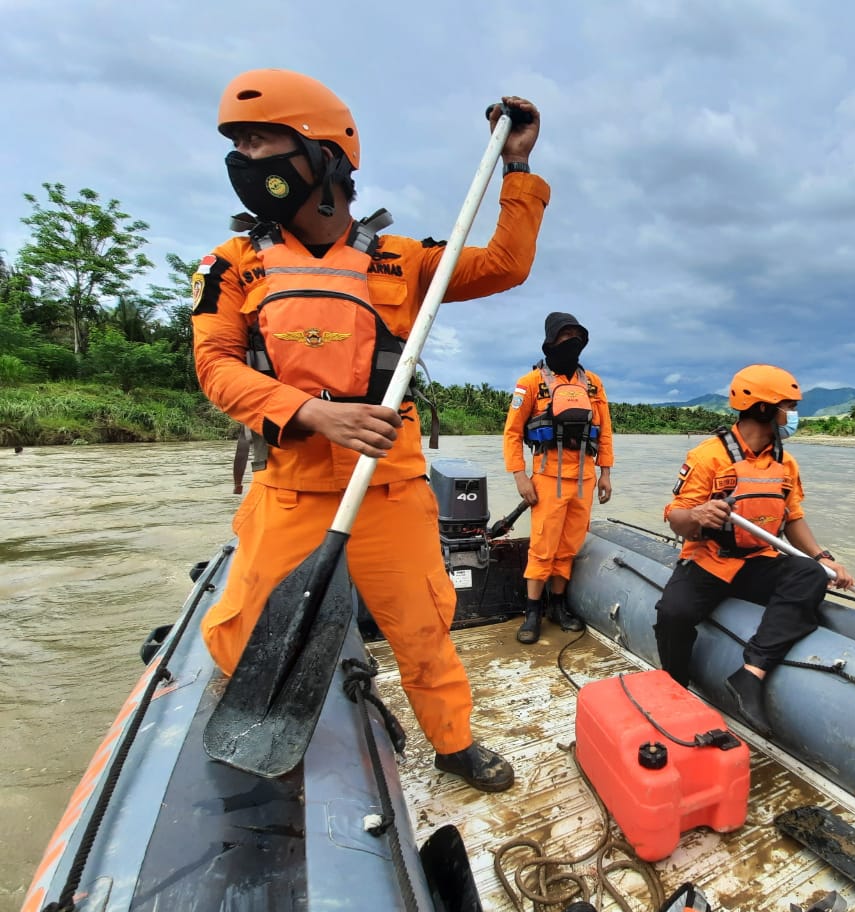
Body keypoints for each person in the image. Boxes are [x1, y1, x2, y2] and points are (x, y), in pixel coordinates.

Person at [192, 68, 551, 792]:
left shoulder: (405, 259)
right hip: (289, 486)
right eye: (238, 143)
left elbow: (507, 265)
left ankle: (452, 745)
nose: (245, 159)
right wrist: (313, 413)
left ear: (322, 153)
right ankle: (260, 720)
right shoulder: (233, 264)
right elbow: (215, 366)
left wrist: (516, 166)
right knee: (240, 627)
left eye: (262, 140)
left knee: (423, 630)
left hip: (387, 489)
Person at [655, 364, 855, 734]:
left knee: (809, 574)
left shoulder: (785, 464)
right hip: (708, 560)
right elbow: (676, 519)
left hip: (758, 561)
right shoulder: (708, 456)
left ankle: (751, 673)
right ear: (764, 408)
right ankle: (674, 689)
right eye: (788, 406)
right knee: (673, 613)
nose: (792, 415)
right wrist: (698, 513)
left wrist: (823, 558)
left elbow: (793, 519)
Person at [502, 311, 613, 644]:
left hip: (585, 477)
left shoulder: (593, 382)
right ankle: (533, 610)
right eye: (565, 337)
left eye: (577, 337)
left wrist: (606, 472)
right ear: (551, 341)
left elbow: (604, 430)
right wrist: (520, 477)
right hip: (547, 476)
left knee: (568, 547)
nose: (572, 343)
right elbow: (511, 433)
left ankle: (559, 606)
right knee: (542, 547)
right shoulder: (530, 383)